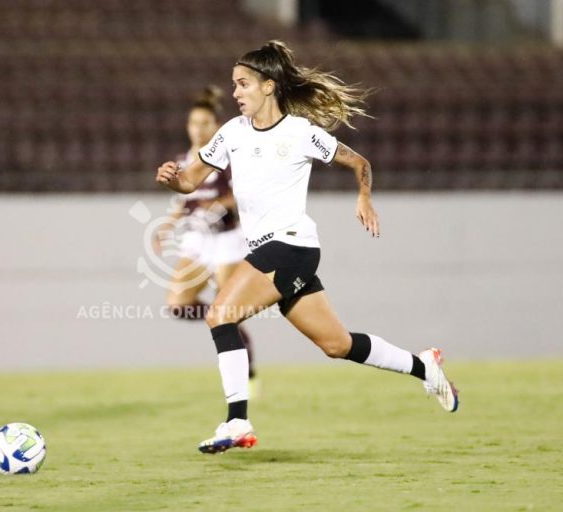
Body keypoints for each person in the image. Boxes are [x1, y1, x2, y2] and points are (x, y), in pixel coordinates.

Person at [155, 40, 458, 455]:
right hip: (273, 251)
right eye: (234, 85)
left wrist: (364, 197)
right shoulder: (232, 134)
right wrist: (173, 177)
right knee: (337, 345)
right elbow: (190, 181)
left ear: (268, 85)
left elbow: (359, 162)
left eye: (242, 84)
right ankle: (426, 366)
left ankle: (237, 420)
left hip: (290, 247)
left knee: (220, 314)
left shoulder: (300, 133)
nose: (236, 92)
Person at [153, 86, 259, 391]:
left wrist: (219, 205)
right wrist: (167, 225)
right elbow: (184, 201)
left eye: (204, 123)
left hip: (226, 239)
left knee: (227, 309)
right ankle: (220, 323)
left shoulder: (226, 157)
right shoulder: (182, 159)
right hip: (197, 241)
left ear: (216, 125)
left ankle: (241, 365)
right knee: (177, 302)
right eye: (193, 123)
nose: (197, 129)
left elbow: (239, 195)